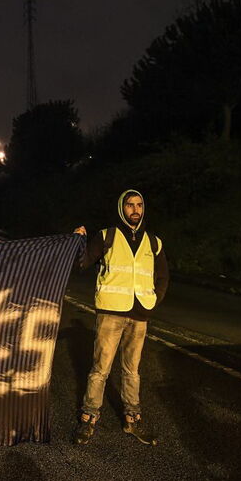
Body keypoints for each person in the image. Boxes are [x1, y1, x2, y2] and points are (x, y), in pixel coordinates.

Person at [72, 189, 169, 446]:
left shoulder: (154, 242)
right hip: (111, 313)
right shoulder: (107, 236)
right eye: (130, 205)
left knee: (132, 371)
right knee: (100, 370)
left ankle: (132, 420)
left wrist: (153, 300)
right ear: (121, 209)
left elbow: (162, 276)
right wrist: (76, 242)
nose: (135, 209)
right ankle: (88, 418)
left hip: (139, 315)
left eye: (139, 205)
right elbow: (81, 264)